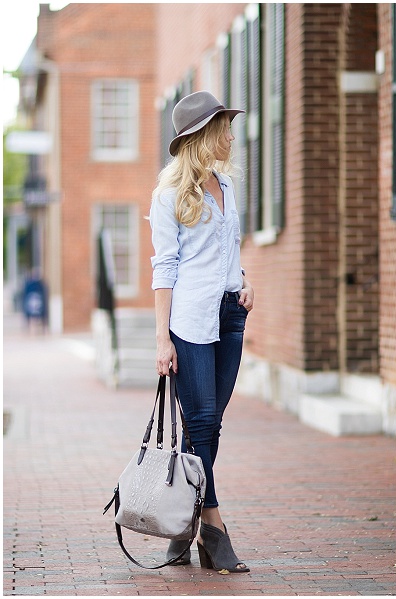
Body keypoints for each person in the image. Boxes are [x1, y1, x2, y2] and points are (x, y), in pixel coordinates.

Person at [149, 90, 254, 573]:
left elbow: (227, 250)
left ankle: (182, 528)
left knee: (206, 426)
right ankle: (213, 525)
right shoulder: (169, 194)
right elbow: (166, 267)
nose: (231, 136)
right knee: (204, 421)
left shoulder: (226, 188)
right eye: (223, 128)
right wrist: (161, 337)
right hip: (190, 320)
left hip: (230, 315)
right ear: (201, 137)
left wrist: (245, 282)